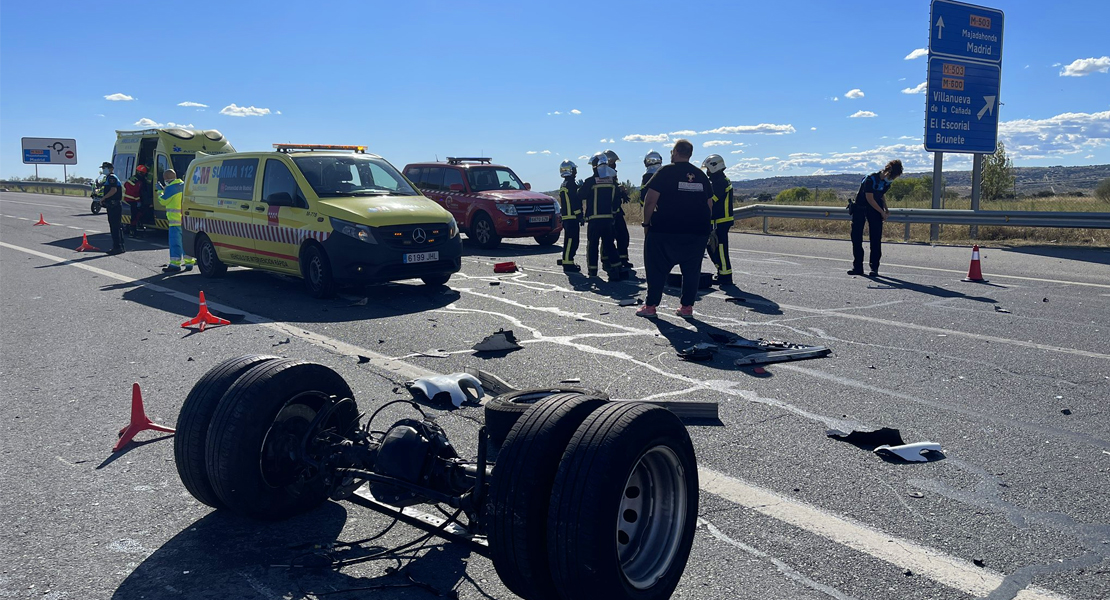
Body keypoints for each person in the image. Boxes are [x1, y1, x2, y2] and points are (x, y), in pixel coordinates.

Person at [636, 139, 713, 318]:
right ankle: (686, 308)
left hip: (666, 229)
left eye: (672, 151)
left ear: (676, 152)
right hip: (697, 231)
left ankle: (651, 306)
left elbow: (650, 200)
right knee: (692, 270)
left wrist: (646, 224)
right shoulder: (700, 175)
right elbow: (709, 205)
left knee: (655, 268)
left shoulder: (665, 172)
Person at [849, 159, 903, 277]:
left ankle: (874, 268)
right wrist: (881, 212)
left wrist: (886, 209)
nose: (893, 179)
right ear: (888, 171)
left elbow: (880, 195)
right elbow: (870, 198)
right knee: (856, 237)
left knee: (876, 238)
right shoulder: (870, 179)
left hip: (875, 209)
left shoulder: (887, 182)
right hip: (861, 208)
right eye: (893, 176)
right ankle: (857, 267)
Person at [578, 152, 623, 281]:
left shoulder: (590, 181)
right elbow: (616, 201)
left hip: (594, 219)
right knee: (609, 244)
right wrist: (613, 214)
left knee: (592, 245)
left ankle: (593, 271)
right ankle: (616, 268)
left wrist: (580, 188)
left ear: (594, 166)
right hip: (608, 219)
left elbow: (581, 195)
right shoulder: (612, 181)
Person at [702, 154, 734, 286]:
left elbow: (712, 200)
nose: (708, 173)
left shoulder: (720, 182)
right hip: (719, 221)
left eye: (708, 169)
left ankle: (725, 276)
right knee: (715, 248)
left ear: (714, 167)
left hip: (720, 221)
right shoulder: (720, 180)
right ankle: (722, 272)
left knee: (719, 248)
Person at [156, 169, 194, 273]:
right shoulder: (184, 185)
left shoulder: (171, 188)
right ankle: (189, 263)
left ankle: (175, 265)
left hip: (175, 221)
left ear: (167, 179)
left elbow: (163, 201)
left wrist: (159, 191)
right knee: (186, 243)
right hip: (186, 220)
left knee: (175, 243)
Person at [604, 149, 634, 275]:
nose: (615, 165)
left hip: (617, 211)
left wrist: (622, 191)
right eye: (613, 162)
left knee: (623, 236)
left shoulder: (613, 173)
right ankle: (606, 260)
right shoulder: (603, 174)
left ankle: (623, 258)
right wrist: (618, 189)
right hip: (608, 212)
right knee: (608, 237)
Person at [557, 160, 583, 272]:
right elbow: (575, 201)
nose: (576, 171)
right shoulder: (571, 184)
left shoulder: (564, 184)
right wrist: (580, 215)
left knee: (569, 240)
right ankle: (568, 262)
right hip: (572, 217)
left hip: (567, 217)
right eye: (574, 169)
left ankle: (567, 259)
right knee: (572, 240)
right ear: (570, 170)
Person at [99, 161, 125, 255]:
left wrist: (104, 198)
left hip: (114, 205)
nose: (103, 170)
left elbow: (113, 190)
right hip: (114, 205)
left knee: (115, 227)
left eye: (104, 168)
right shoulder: (110, 178)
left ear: (110, 169)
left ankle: (117, 247)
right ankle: (119, 246)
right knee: (117, 226)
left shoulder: (112, 178)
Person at [122, 165, 147, 237]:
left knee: (136, 214)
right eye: (142, 173)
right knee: (135, 215)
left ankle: (136, 227)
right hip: (132, 200)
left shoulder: (134, 178)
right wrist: (139, 200)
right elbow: (136, 192)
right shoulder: (138, 181)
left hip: (130, 199)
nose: (143, 175)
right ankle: (132, 231)